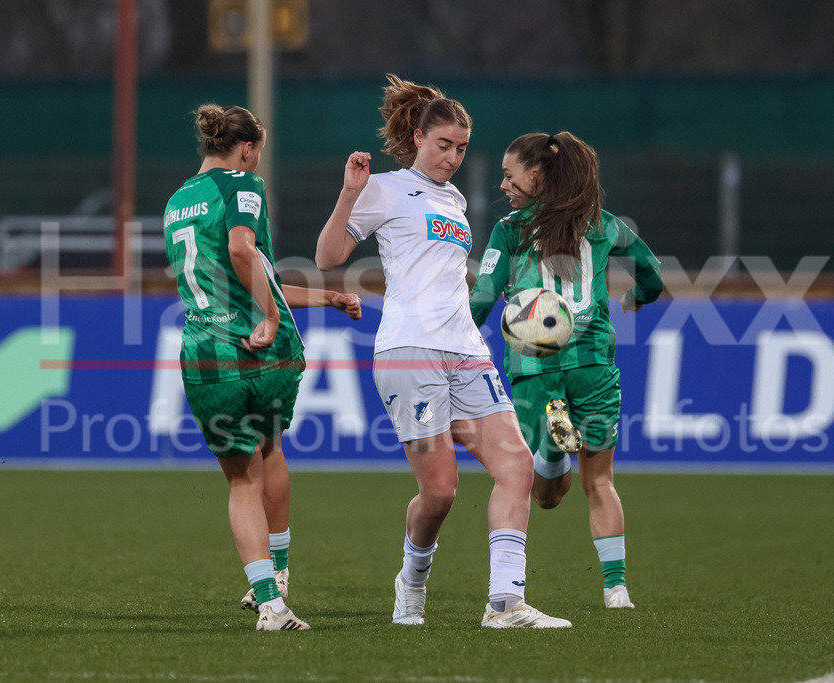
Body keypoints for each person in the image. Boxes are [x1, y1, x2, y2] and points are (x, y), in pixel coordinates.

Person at [315, 75, 571, 629]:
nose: (453, 157)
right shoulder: (382, 188)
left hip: (467, 352)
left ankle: (505, 604)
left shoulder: (453, 198)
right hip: (410, 352)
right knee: (440, 493)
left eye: (461, 148)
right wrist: (349, 193)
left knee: (517, 466)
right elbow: (328, 255)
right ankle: (412, 578)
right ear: (418, 137)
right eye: (443, 145)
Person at [163, 103, 362, 632]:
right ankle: (281, 578)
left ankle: (269, 599)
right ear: (248, 148)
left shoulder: (178, 201)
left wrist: (324, 298)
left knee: (239, 481)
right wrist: (273, 317)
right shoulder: (242, 186)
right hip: (262, 352)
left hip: (206, 355)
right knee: (271, 447)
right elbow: (242, 250)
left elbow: (248, 271)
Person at [469, 131, 663, 610]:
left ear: (536, 176)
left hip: (534, 362)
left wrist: (450, 340)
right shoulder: (605, 225)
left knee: (545, 495)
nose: (504, 184)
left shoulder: (510, 229)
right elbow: (652, 274)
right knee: (601, 480)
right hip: (593, 362)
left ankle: (552, 457)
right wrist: (637, 296)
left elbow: (484, 297)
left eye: (509, 175)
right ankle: (616, 589)